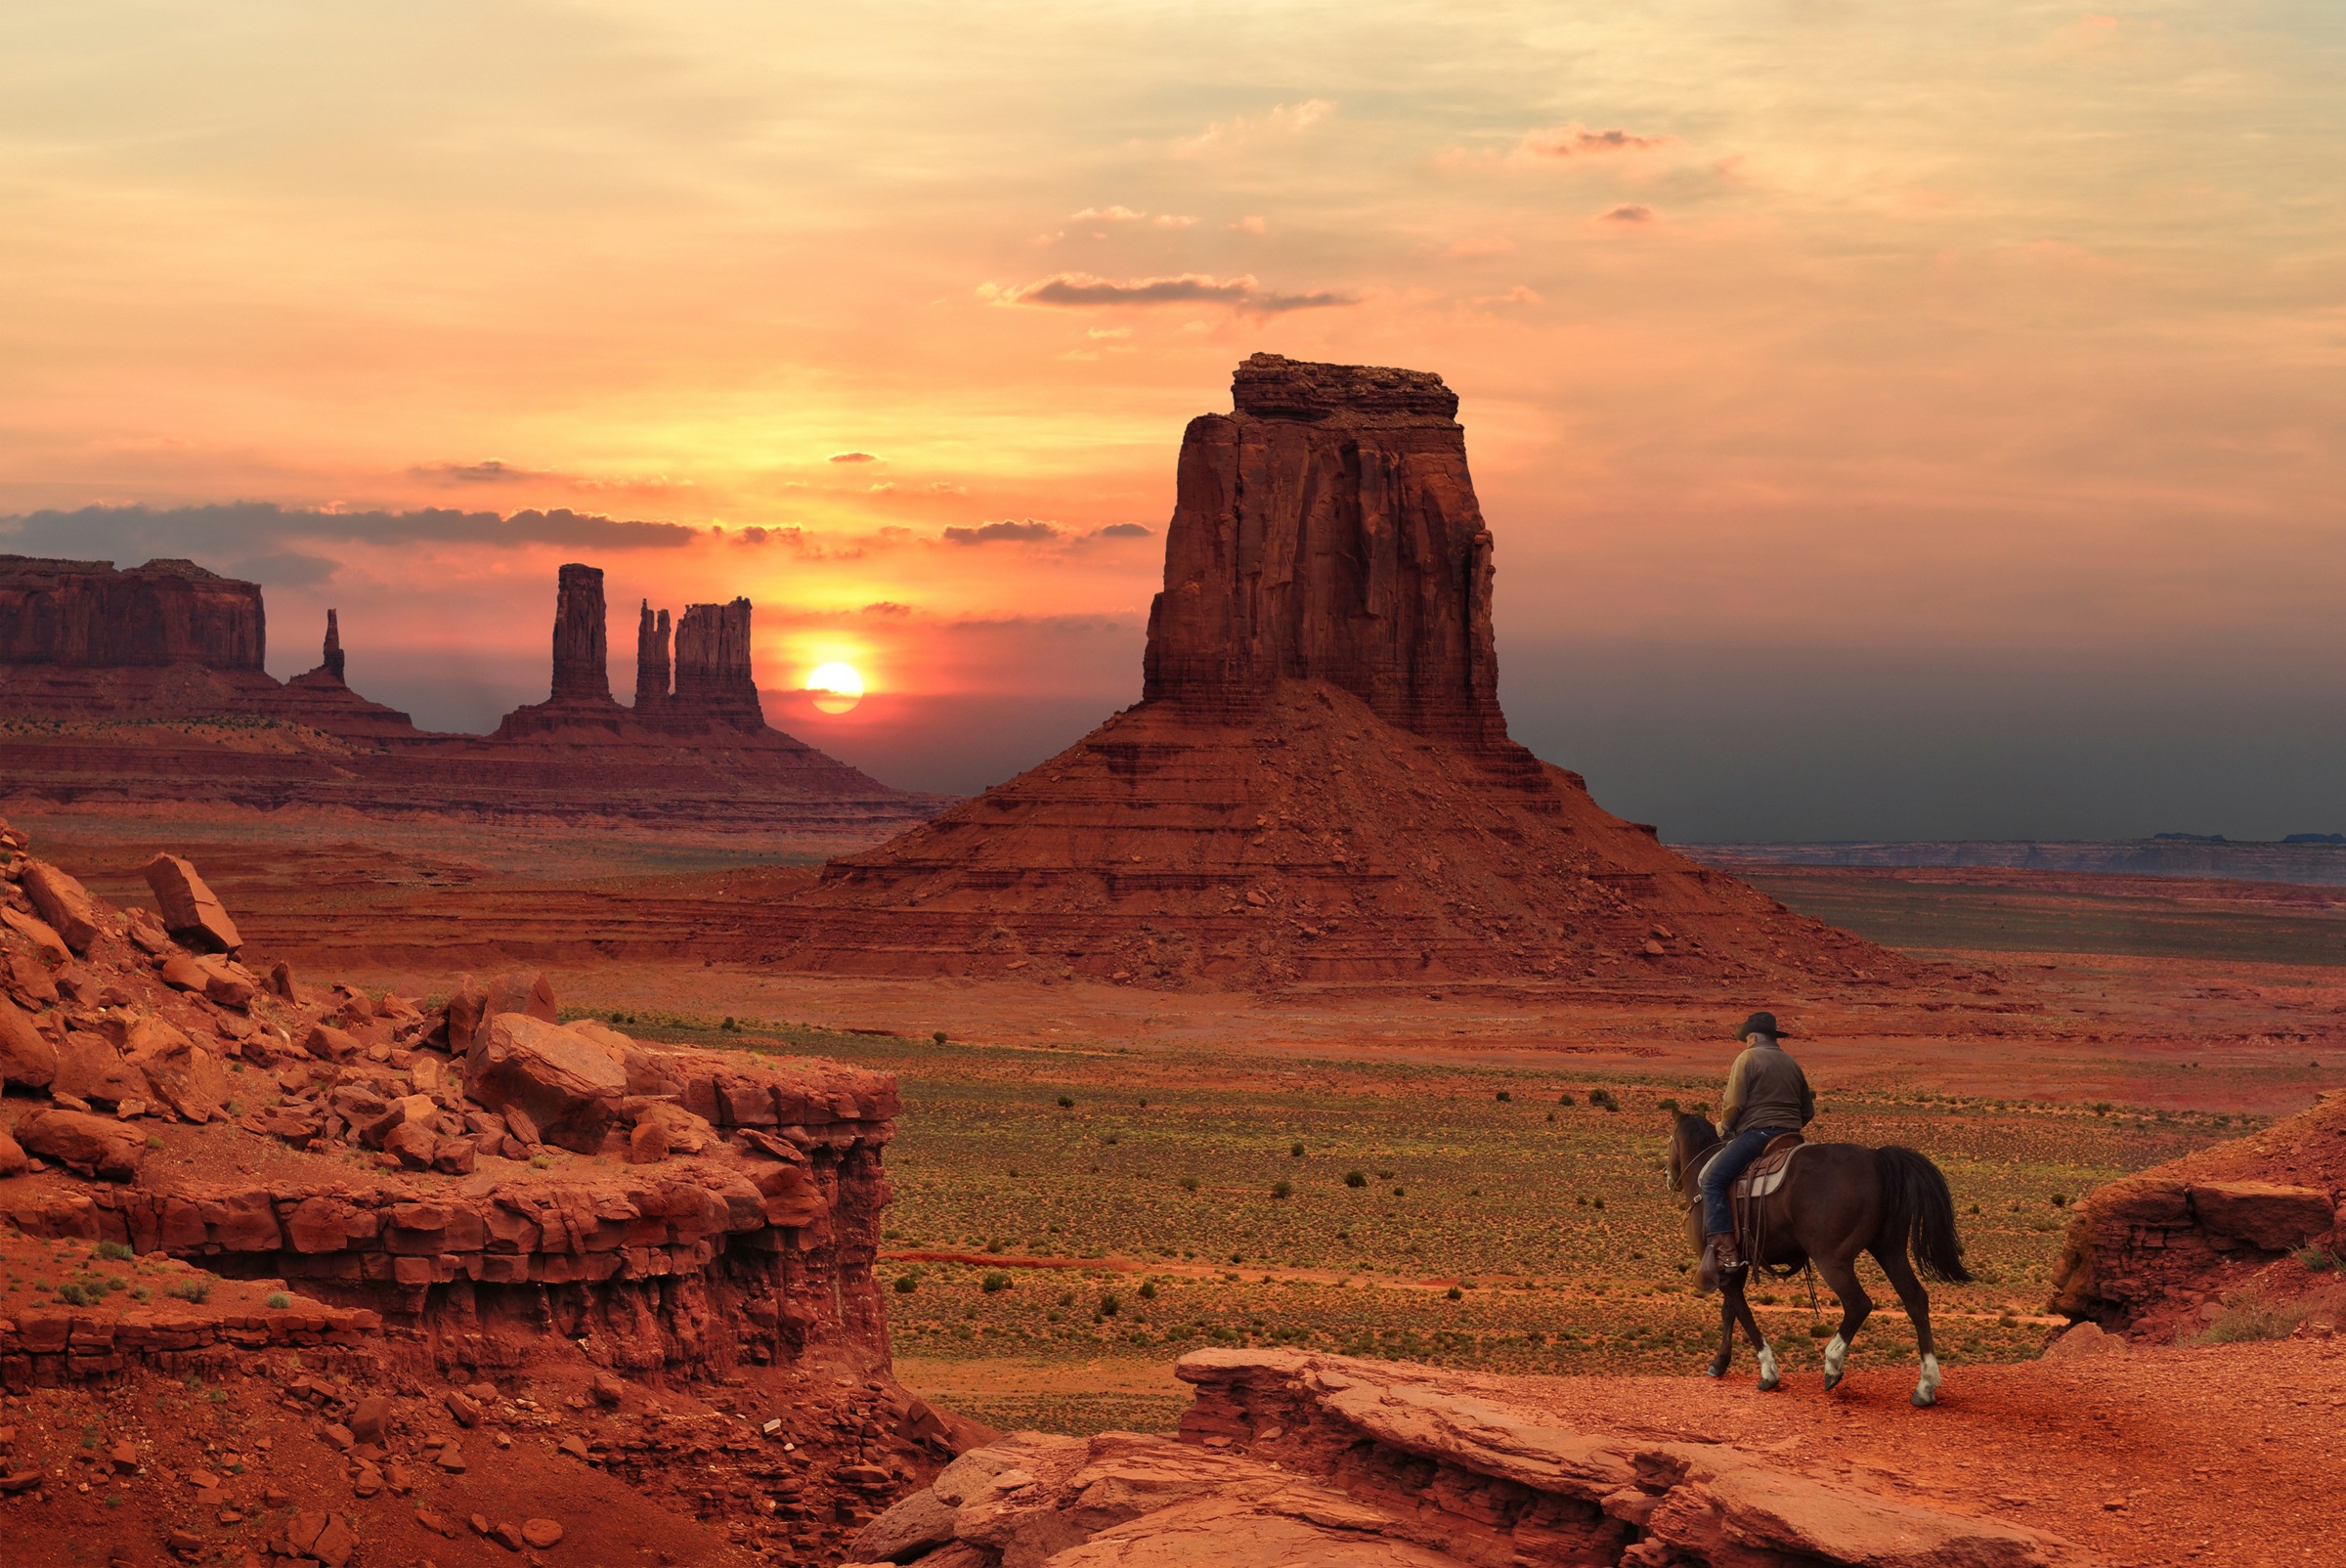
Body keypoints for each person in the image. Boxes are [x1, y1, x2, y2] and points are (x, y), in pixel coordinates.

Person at [1696, 1011, 1815, 1292]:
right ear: (1773, 1037)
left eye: (1746, 1038)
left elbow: (1734, 1104)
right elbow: (1808, 1110)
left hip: (1759, 1135)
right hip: (1791, 1137)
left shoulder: (1747, 1058)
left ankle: (1727, 1253)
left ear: (1751, 1036)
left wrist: (1725, 1127)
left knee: (1711, 1180)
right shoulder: (1791, 1063)